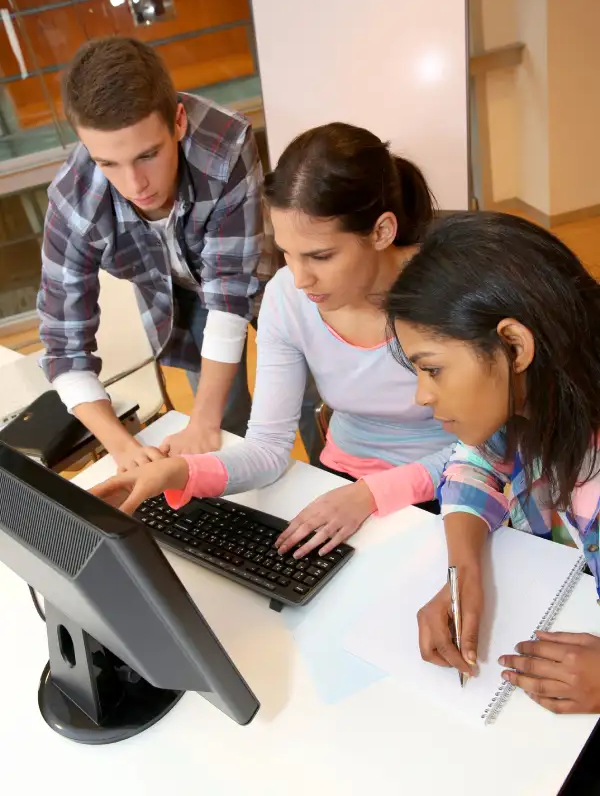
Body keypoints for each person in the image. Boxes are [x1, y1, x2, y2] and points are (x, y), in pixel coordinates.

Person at [90, 122, 457, 558]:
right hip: (340, 480)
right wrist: (177, 473)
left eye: (320, 256)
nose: (300, 278)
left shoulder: (452, 294)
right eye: (286, 252)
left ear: (381, 232)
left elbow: (493, 446)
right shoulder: (288, 294)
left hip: (447, 484)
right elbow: (267, 448)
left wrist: (372, 495)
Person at [37, 37, 320, 473]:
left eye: (148, 155)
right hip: (179, 295)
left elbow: (229, 290)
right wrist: (122, 446)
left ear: (179, 120)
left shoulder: (224, 144)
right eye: (108, 164)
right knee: (221, 423)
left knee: (301, 403)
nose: (135, 185)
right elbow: (64, 345)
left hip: (263, 274)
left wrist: (202, 419)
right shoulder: (73, 202)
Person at [385, 210, 600, 715]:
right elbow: (473, 466)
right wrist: (465, 571)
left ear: (515, 344)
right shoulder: (535, 399)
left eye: (433, 369)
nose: (422, 395)